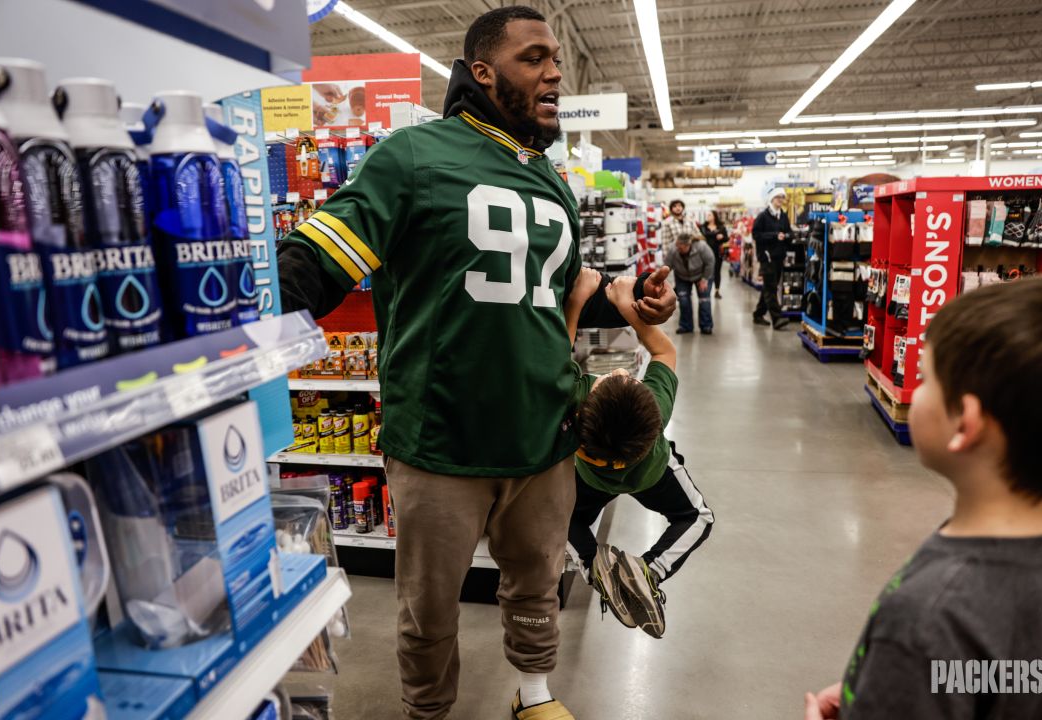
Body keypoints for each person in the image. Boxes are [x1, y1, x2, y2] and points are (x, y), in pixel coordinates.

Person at [275, 7, 678, 719]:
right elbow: (316, 257)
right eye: (534, 58)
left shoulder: (552, 181)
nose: (555, 70)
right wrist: (238, 314)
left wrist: (631, 306)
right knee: (428, 608)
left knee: (536, 581)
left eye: (556, 57)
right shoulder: (412, 157)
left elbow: (550, 294)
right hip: (441, 441)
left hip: (545, 435)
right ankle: (428, 711)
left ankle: (534, 696)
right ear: (483, 73)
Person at [804, 277, 1042, 720]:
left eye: (924, 378)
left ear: (966, 424)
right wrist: (889, 682)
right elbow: (1021, 675)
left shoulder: (929, 615)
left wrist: (906, 673)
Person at [561, 268, 714, 640]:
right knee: (698, 517)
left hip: (591, 478)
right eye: (625, 376)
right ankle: (649, 572)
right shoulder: (655, 410)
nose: (617, 369)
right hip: (652, 472)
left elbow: (556, 361)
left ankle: (593, 564)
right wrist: (626, 306)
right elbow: (663, 349)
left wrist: (576, 300)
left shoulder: (572, 402)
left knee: (562, 517)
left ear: (584, 410)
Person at [752, 187, 792, 330]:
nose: (780, 200)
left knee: (769, 287)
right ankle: (777, 318)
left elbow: (788, 232)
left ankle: (758, 314)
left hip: (779, 257)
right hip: (767, 257)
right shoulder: (763, 216)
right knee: (770, 288)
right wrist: (775, 235)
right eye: (778, 197)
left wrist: (787, 237)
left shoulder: (783, 216)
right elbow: (756, 234)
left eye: (782, 197)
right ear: (772, 199)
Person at [669, 233, 715, 335]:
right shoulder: (673, 249)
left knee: (704, 299)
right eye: (677, 246)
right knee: (683, 300)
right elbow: (667, 265)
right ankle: (685, 326)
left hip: (702, 274)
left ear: (688, 246)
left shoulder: (701, 247)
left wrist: (704, 279)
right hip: (682, 276)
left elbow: (710, 262)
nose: (678, 249)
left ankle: (706, 326)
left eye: (681, 248)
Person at [700, 209, 728, 298]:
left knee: (717, 271)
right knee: (705, 272)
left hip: (717, 253)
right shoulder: (703, 227)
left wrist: (722, 237)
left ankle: (717, 291)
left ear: (714, 216)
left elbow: (726, 238)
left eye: (709, 215)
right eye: (707, 215)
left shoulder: (721, 227)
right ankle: (705, 289)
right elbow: (703, 235)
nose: (707, 216)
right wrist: (715, 234)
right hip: (705, 253)